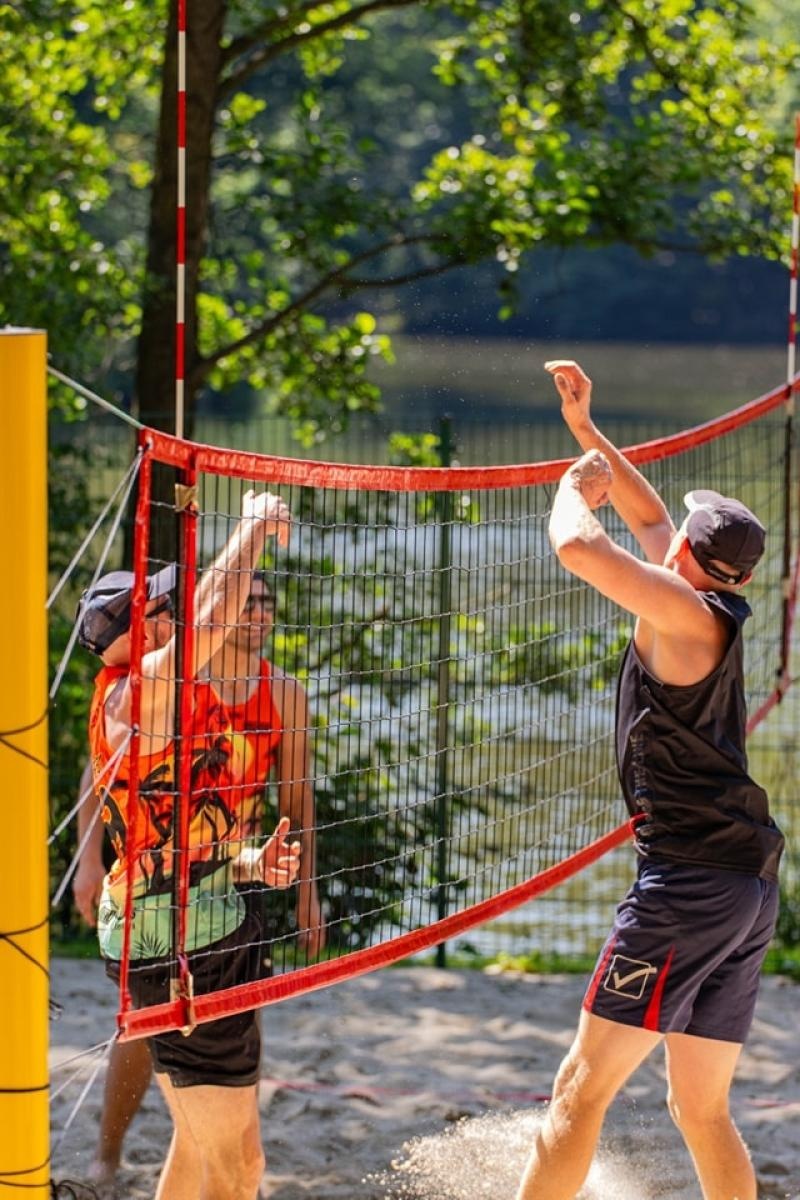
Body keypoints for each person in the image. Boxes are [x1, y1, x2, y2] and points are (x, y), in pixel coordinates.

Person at [515, 361, 783, 1200]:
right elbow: (651, 515)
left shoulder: (681, 613)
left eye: (681, 531)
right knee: (698, 1110)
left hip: (689, 884)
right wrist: (591, 436)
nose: (667, 527)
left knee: (578, 1091)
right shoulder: (704, 600)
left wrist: (568, 484)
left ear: (689, 559)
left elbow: (576, 545)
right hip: (744, 883)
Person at [77, 489, 302, 1200]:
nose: (180, 616)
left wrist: (248, 860)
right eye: (163, 609)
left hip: (199, 925)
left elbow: (169, 835)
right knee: (241, 1170)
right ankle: (106, 1157)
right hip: (180, 949)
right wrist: (254, 523)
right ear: (142, 631)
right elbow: (211, 615)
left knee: (201, 1150)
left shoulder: (160, 694)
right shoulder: (139, 691)